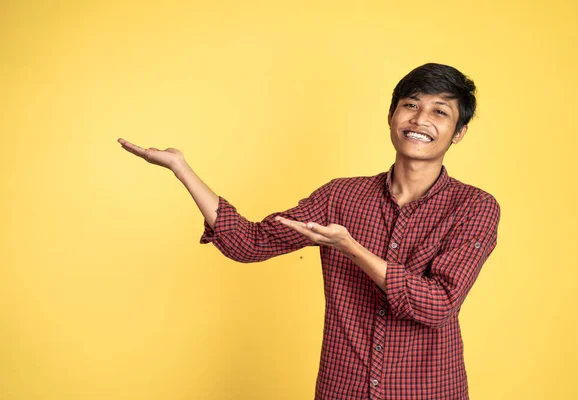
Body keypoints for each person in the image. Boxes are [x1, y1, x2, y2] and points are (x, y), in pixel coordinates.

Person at [117, 62, 500, 400]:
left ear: (459, 131)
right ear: (391, 116)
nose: (419, 120)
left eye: (440, 111)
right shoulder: (340, 196)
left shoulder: (475, 207)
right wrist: (181, 168)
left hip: (427, 391)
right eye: (411, 105)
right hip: (342, 388)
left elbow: (437, 304)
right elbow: (248, 243)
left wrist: (352, 249)